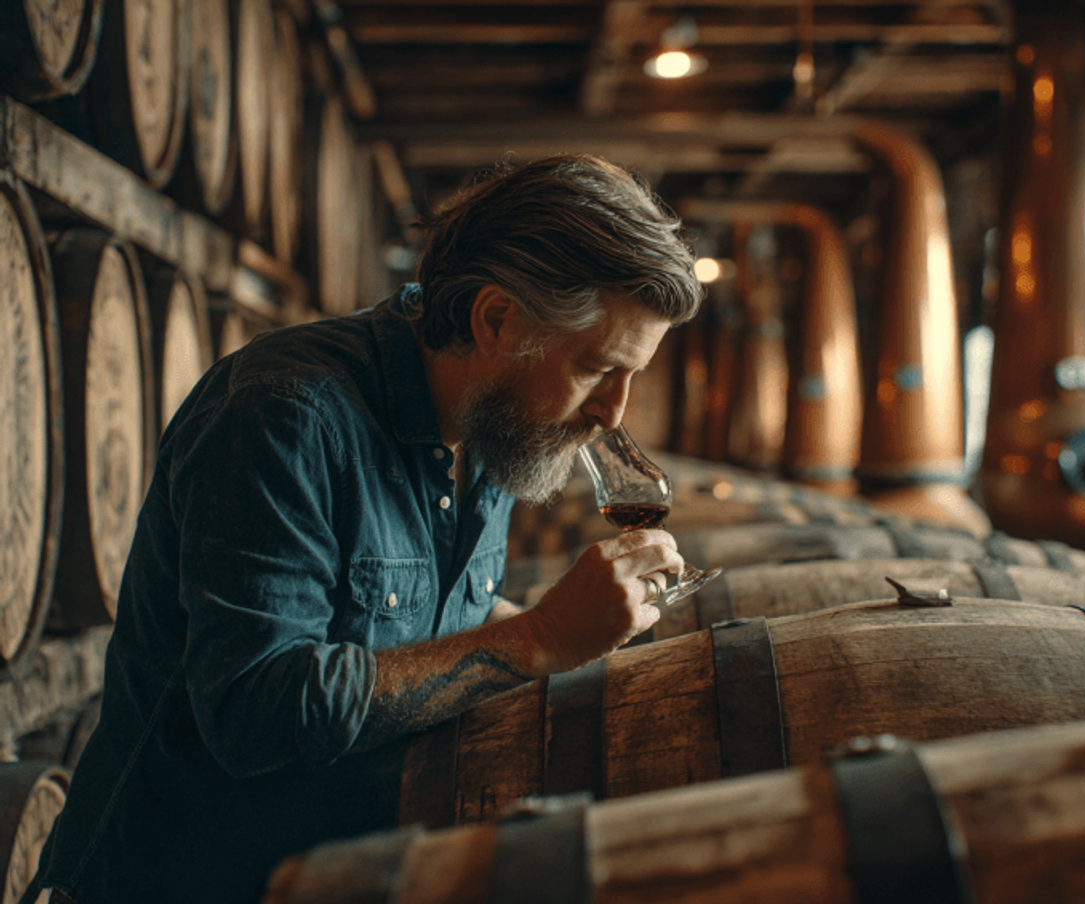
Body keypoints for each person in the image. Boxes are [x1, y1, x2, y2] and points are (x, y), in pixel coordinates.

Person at [23, 154, 704, 904]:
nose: (614, 411)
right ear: (495, 318)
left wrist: (581, 635)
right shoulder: (286, 415)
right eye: (599, 368)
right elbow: (257, 711)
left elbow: (441, 628)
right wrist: (538, 637)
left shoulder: (492, 427)